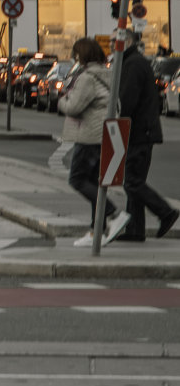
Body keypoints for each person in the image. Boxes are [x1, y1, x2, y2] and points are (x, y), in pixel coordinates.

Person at [57, 37, 129, 247]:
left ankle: (114, 214)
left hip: (89, 135)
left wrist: (62, 99)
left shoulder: (87, 77)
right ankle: (95, 232)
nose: (74, 57)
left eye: (76, 54)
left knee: (78, 179)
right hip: (104, 135)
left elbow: (74, 107)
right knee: (95, 185)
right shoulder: (107, 74)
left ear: (81, 55)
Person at [113, 29, 179, 242]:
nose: (112, 43)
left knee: (132, 181)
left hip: (140, 131)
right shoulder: (134, 62)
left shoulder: (133, 64)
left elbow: (127, 101)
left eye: (115, 40)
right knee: (134, 180)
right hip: (142, 130)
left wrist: (116, 119)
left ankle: (165, 212)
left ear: (128, 41)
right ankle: (135, 230)